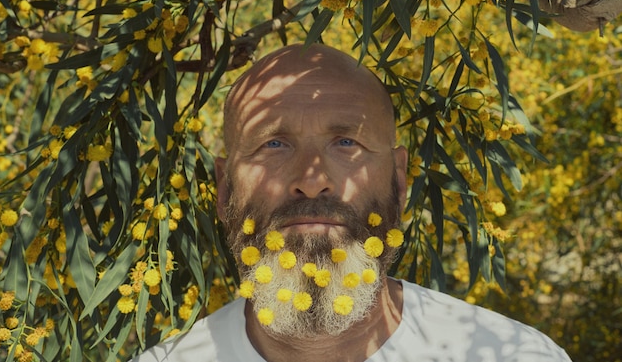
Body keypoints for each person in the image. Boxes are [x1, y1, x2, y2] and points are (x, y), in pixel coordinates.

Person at [131, 44, 573, 362]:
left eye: (347, 142)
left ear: (399, 182)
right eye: (273, 144)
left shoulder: (509, 355)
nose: (312, 180)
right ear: (225, 189)